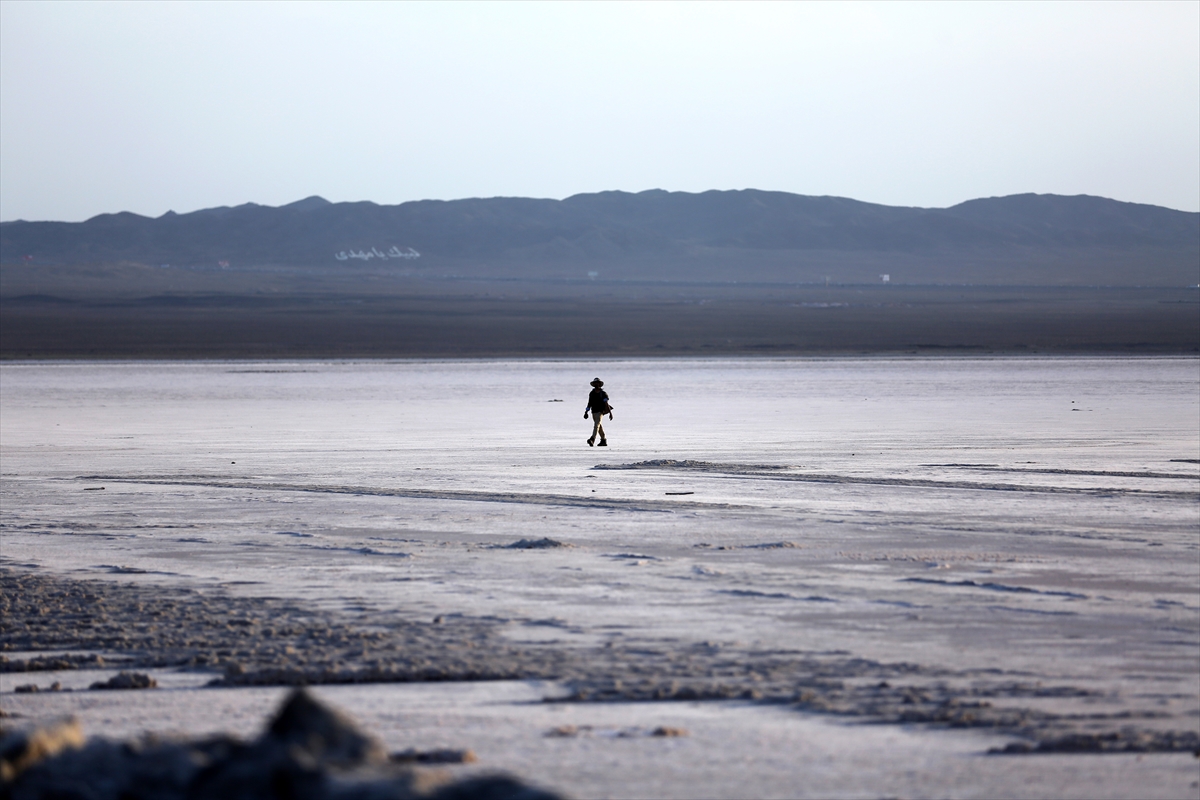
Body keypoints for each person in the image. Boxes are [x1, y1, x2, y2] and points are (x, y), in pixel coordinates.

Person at [584, 377, 613, 447]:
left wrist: (610, 413)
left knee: (596, 425)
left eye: (597, 383)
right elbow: (589, 403)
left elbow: (606, 403)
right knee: (598, 426)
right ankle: (603, 440)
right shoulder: (592, 393)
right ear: (593, 384)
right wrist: (586, 412)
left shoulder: (603, 393)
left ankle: (592, 439)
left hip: (600, 412)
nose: (596, 384)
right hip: (593, 411)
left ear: (600, 384)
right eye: (595, 383)